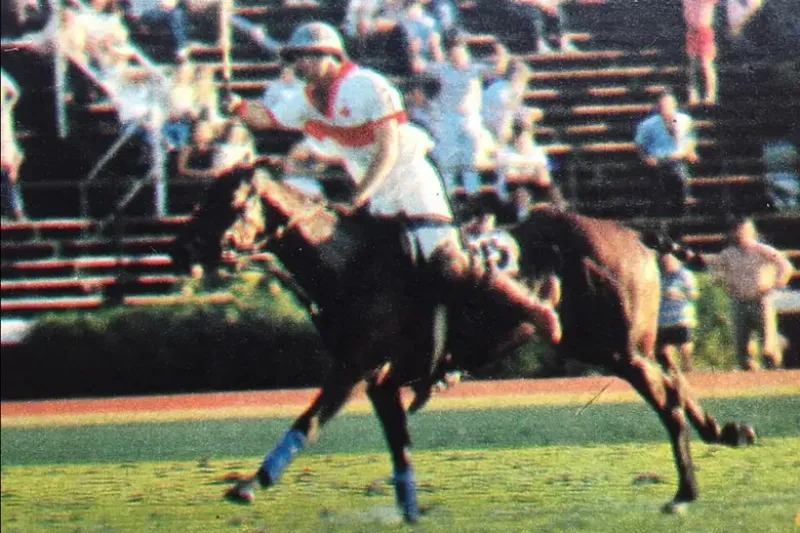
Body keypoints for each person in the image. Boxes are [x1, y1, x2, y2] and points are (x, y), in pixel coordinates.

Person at [227, 22, 561, 354]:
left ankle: (532, 307)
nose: (296, 65)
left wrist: (359, 195)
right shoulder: (307, 99)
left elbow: (387, 150)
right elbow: (266, 117)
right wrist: (239, 108)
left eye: (302, 57)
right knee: (377, 270)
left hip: (410, 181)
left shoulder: (368, 85)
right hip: (376, 192)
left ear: (327, 55)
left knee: (446, 262)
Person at [711, 219, 793, 370]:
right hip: (739, 300)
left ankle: (775, 371)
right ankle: (749, 378)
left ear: (751, 232)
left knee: (768, 345)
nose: (740, 234)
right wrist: (725, 283)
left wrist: (776, 282)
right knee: (742, 345)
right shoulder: (728, 254)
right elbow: (716, 272)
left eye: (744, 230)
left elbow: (785, 266)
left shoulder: (763, 250)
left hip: (761, 299)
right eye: (738, 231)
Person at [634, 90, 697, 217]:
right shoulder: (648, 124)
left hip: (677, 159)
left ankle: (680, 213)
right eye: (663, 104)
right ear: (658, 106)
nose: (666, 107)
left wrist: (689, 151)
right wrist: (646, 158)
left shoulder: (684, 120)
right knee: (659, 188)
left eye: (669, 104)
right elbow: (639, 145)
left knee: (679, 178)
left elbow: (690, 140)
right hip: (658, 161)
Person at [656, 252, 699, 372]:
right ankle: (671, 373)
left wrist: (677, 294)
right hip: (663, 320)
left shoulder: (684, 275)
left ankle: (689, 371)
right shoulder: (659, 276)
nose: (665, 264)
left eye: (668, 261)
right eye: (663, 262)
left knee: (684, 347)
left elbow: (694, 294)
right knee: (663, 350)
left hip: (680, 318)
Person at [683, 0, 719, 106]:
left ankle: (710, 94)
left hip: (704, 31)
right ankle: (693, 94)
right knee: (692, 64)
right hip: (691, 31)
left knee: (706, 64)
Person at [1, 69, 26, 220]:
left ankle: (16, 212)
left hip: (5, 156)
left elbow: (14, 91)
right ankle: (14, 211)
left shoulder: (5, 113)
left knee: (8, 180)